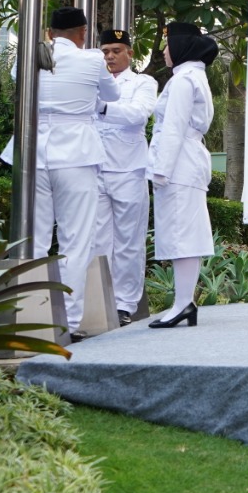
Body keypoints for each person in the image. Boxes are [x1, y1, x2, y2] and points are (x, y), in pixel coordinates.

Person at [1, 6, 119, 344]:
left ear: (50, 32)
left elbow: (16, 81)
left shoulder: (29, 57)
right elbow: (112, 95)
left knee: (32, 238)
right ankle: (68, 320)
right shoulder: (93, 59)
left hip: (34, 149)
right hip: (76, 153)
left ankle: (30, 315)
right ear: (83, 33)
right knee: (76, 240)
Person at [147, 21, 218, 329]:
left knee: (181, 235)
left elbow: (173, 127)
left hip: (178, 163)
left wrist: (160, 170)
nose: (164, 51)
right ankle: (184, 302)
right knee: (185, 233)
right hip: (187, 160)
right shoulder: (193, 76)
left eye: (167, 45)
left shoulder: (183, 80)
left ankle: (183, 304)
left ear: (180, 48)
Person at [93, 28, 159, 326]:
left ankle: (125, 304)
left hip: (129, 170)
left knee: (129, 241)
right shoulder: (93, 81)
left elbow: (138, 114)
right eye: (105, 51)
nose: (110, 56)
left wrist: (104, 108)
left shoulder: (143, 82)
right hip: (94, 167)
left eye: (116, 51)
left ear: (130, 53)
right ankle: (97, 299)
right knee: (97, 239)